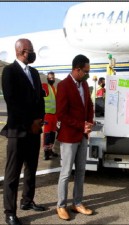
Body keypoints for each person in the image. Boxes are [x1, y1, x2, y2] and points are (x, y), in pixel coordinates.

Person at [0, 38, 46, 225]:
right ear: (22, 51)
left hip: (34, 131)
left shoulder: (34, 73)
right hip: (18, 131)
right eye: (31, 50)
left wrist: (40, 120)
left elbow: (40, 99)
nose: (33, 53)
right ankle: (10, 212)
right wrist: (30, 123)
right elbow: (13, 102)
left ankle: (27, 200)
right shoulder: (9, 72)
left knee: (31, 169)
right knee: (12, 173)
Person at [56, 54, 94, 220]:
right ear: (77, 69)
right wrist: (81, 125)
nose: (87, 74)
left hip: (83, 135)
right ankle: (61, 205)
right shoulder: (64, 86)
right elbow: (61, 114)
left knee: (81, 171)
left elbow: (90, 106)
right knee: (65, 173)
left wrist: (90, 123)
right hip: (69, 136)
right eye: (85, 71)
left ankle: (77, 202)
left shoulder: (84, 84)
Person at [42, 71, 59, 160]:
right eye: (50, 78)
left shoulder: (54, 88)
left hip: (54, 116)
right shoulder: (45, 86)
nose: (52, 79)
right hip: (47, 115)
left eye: (53, 77)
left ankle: (50, 150)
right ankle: (46, 153)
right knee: (47, 134)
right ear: (47, 79)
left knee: (52, 134)